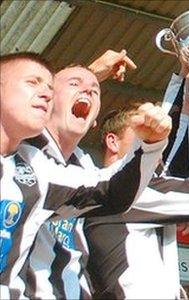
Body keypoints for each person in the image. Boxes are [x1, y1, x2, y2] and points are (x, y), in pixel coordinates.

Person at [0, 53, 170, 298]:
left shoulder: (36, 168)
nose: (45, 93)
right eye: (32, 82)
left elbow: (111, 191)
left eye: (49, 87)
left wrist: (150, 143)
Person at [84, 97, 189, 299]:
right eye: (142, 131)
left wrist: (186, 88)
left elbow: (181, 160)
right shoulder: (117, 189)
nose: (154, 138)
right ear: (113, 141)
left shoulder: (128, 191)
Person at [19, 50, 138, 299]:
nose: (88, 91)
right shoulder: (24, 150)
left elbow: (118, 184)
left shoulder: (84, 166)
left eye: (95, 91)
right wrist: (92, 72)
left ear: (94, 121)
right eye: (74, 85)